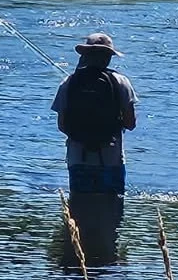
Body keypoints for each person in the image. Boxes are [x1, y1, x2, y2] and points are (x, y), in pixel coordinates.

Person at [52, 32, 137, 196]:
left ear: (85, 55)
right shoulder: (121, 82)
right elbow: (130, 124)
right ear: (109, 57)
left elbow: (62, 126)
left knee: (78, 208)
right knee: (112, 208)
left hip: (78, 158)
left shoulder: (68, 82)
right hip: (111, 157)